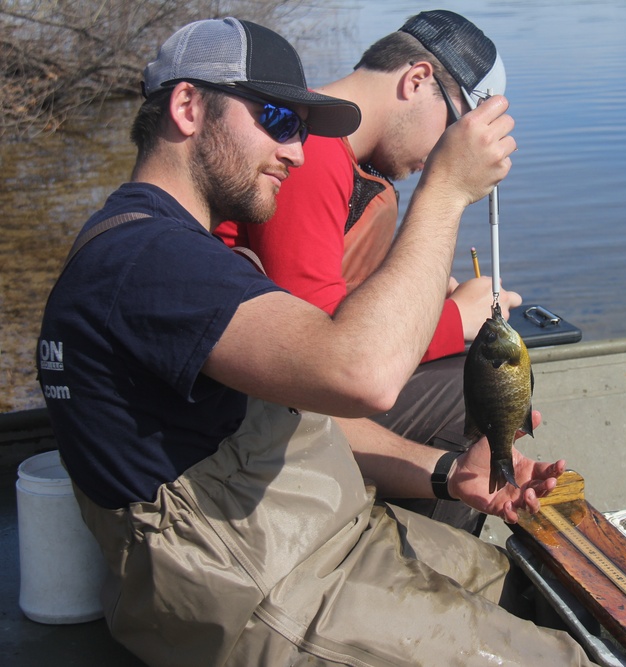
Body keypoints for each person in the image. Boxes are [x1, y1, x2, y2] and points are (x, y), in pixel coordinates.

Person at [35, 17, 597, 667]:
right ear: (188, 107)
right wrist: (444, 190)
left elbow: (313, 421)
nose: (297, 152)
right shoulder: (147, 259)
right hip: (265, 593)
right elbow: (365, 376)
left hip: (330, 537)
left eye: (301, 129)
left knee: (546, 597)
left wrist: (447, 473)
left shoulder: (182, 255)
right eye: (276, 117)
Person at [214, 11, 518, 535]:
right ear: (416, 79)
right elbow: (319, 354)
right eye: (453, 131)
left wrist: (425, 298)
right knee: (464, 394)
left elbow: (310, 295)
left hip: (273, 382)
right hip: (242, 412)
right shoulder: (308, 156)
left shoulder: (338, 154)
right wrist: (451, 319)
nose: (443, 153)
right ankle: (415, 561)